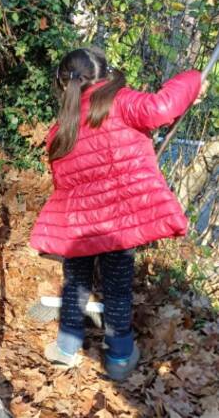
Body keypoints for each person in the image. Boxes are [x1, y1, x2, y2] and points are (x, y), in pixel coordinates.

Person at [30, 47, 207, 380]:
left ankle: (67, 347)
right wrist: (194, 79)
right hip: (117, 221)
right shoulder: (122, 102)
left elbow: (62, 179)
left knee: (76, 282)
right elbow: (162, 106)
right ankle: (120, 356)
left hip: (80, 225)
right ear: (105, 74)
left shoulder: (61, 127)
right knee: (116, 286)